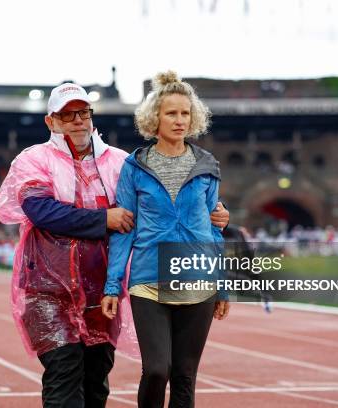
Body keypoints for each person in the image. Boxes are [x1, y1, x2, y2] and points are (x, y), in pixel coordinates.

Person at [0, 82, 229, 407]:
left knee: (95, 382)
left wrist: (211, 213)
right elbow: (41, 211)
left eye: (83, 112)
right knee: (64, 374)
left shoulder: (118, 162)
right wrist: (103, 219)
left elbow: (155, 202)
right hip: (47, 289)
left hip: (99, 289)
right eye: (67, 114)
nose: (77, 120)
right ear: (51, 121)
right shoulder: (34, 160)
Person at [102, 71, 230, 408]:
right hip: (149, 280)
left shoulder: (208, 165)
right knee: (158, 370)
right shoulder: (135, 165)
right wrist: (112, 284)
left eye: (185, 113)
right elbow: (124, 227)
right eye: (171, 113)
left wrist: (223, 286)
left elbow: (215, 229)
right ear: (154, 118)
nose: (179, 120)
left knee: (185, 377)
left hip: (198, 278)